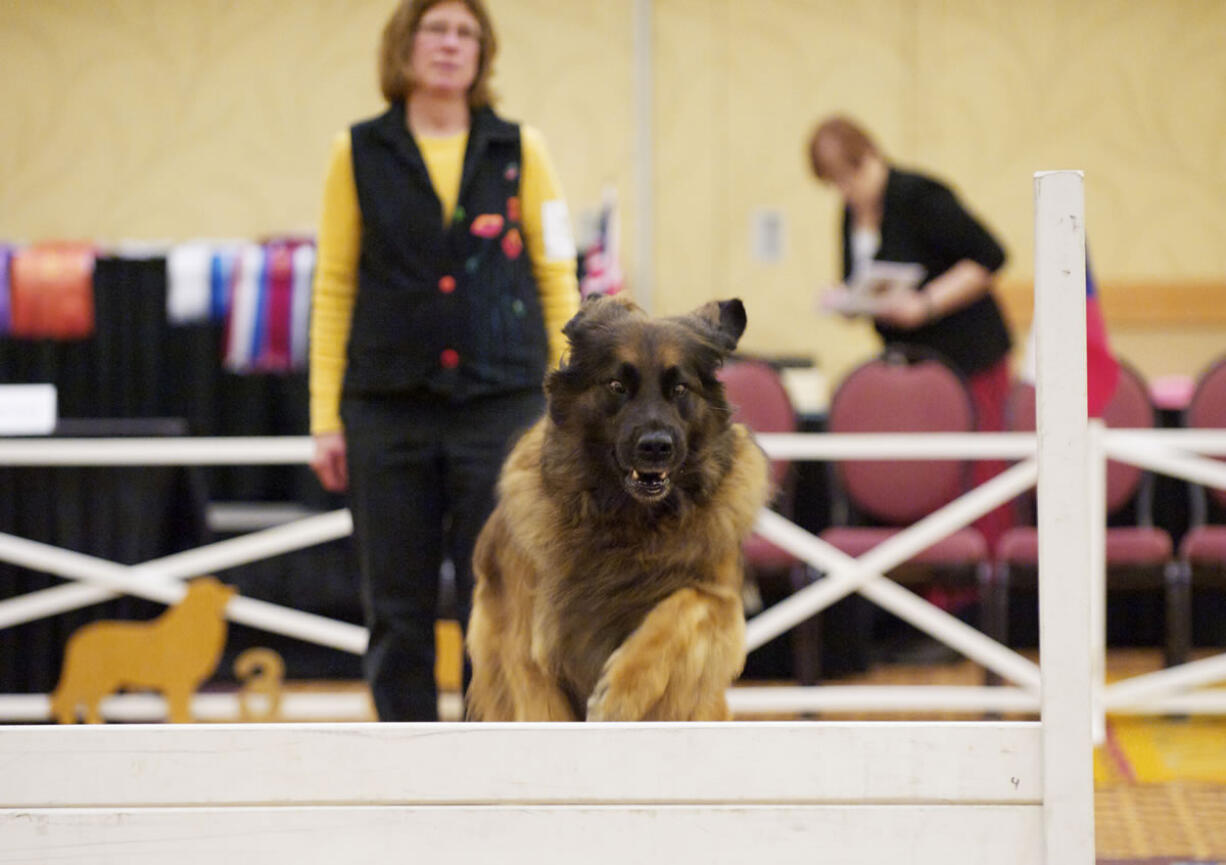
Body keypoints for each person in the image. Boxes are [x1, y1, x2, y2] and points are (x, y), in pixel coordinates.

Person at [308, 0, 579, 720]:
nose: (451, 45)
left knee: (495, 598)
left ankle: (480, 763)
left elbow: (556, 274)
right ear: (405, 45)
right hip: (385, 408)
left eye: (467, 33)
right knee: (395, 607)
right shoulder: (358, 151)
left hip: (502, 407)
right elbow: (334, 285)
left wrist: (575, 398)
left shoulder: (521, 148)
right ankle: (403, 766)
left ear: (482, 54)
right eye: (437, 29)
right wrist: (323, 417)